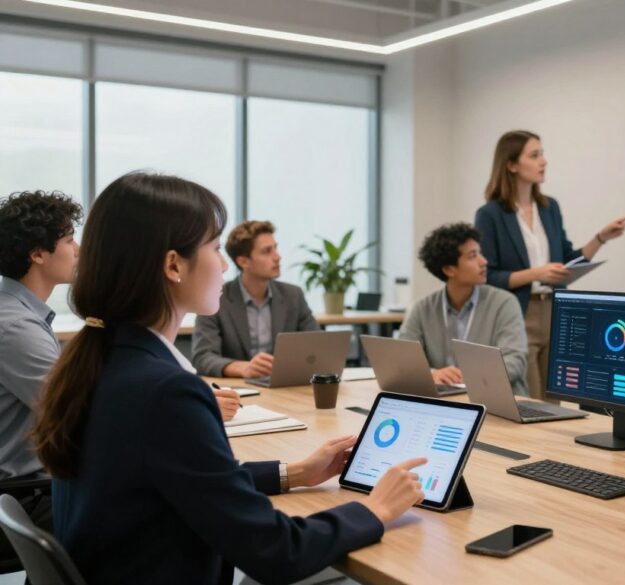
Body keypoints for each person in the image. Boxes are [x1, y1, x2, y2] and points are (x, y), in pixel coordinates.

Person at [31, 172, 426, 584]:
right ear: (173, 265)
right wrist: (375, 508)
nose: (222, 265)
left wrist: (295, 473)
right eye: (216, 248)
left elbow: (187, 478)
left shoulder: (102, 357)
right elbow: (277, 551)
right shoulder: (165, 393)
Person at [475, 130, 625, 399]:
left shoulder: (550, 208)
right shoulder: (490, 214)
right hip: (518, 313)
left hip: (555, 311)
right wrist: (536, 273)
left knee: (554, 400)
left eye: (542, 154)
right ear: (512, 164)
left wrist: (600, 238)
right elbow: (487, 276)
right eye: (534, 155)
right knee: (527, 398)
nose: (544, 161)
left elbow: (567, 260)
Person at [0, 190, 80, 564]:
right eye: (69, 240)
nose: (77, 250)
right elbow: (74, 411)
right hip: (25, 494)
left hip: (31, 487)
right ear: (37, 254)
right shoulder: (16, 326)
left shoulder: (20, 313)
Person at [399, 223, 528, 394]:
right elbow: (402, 362)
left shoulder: (504, 303)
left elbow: (515, 361)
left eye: (480, 253)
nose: (483, 261)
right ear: (448, 269)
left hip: (496, 398)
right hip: (446, 400)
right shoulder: (423, 309)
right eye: (473, 256)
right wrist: (433, 374)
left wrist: (471, 378)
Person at [192, 220, 319, 378]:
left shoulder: (293, 295)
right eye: (267, 251)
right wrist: (243, 368)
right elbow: (202, 357)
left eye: (275, 248)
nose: (277, 257)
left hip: (283, 385)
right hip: (239, 388)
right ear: (243, 261)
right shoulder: (215, 298)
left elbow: (317, 345)